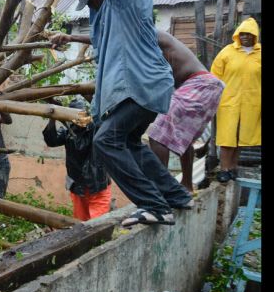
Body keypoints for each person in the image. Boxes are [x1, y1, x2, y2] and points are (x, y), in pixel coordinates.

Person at [53, 0, 192, 228]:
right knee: (129, 143)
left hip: (143, 82)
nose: (89, 4)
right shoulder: (104, 12)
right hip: (140, 87)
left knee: (105, 141)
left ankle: (154, 205)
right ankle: (176, 196)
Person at [51, 29, 225, 193]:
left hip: (199, 84)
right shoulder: (146, 46)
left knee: (158, 135)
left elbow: (109, 39)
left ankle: (162, 191)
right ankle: (186, 185)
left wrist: (72, 37)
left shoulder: (149, 34)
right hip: (209, 86)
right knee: (182, 138)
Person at [42, 96, 111, 220]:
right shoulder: (68, 131)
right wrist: (53, 117)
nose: (80, 118)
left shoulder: (95, 128)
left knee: (98, 224)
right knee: (81, 223)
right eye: (75, 115)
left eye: (82, 113)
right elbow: (51, 141)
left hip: (97, 185)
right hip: (78, 186)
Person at [210, 17, 261, 183]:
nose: (245, 36)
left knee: (241, 136)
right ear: (238, 34)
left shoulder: (259, 54)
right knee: (227, 135)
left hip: (252, 101)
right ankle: (224, 168)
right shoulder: (227, 52)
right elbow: (214, 76)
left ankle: (233, 167)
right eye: (242, 33)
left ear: (255, 35)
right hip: (228, 100)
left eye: (249, 34)